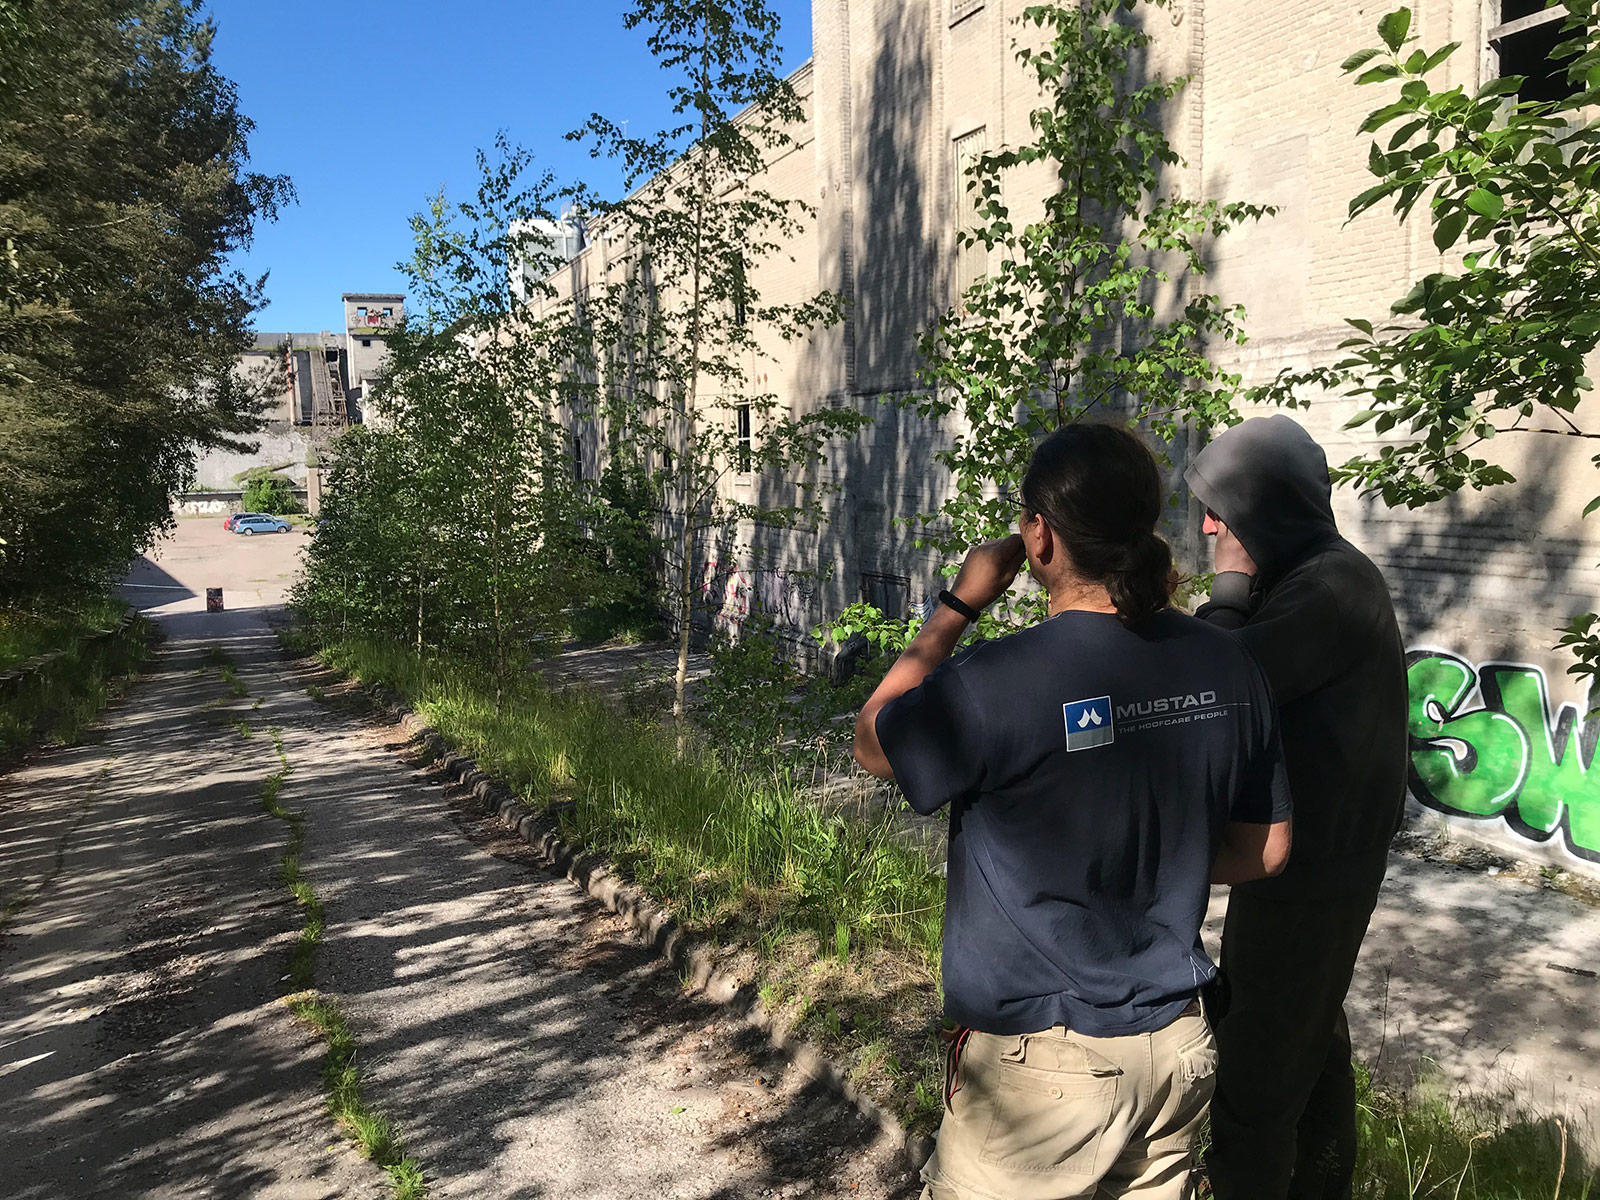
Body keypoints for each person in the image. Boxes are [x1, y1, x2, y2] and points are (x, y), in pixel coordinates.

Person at [853, 423, 1293, 1200]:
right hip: (1177, 1052)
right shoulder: (1229, 662)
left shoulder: (997, 682)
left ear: (1039, 535)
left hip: (1045, 1075)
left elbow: (873, 742)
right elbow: (1265, 851)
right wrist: (1164, 854)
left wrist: (958, 604)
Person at [1185, 415, 1408, 1200]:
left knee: (1259, 1071)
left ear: (1266, 507)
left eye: (1225, 508)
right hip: (1305, 865)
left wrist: (1228, 585)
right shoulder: (1319, 575)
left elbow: (1213, 690)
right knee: (1310, 1046)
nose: (1211, 525)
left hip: (1311, 875)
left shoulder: (1327, 588)